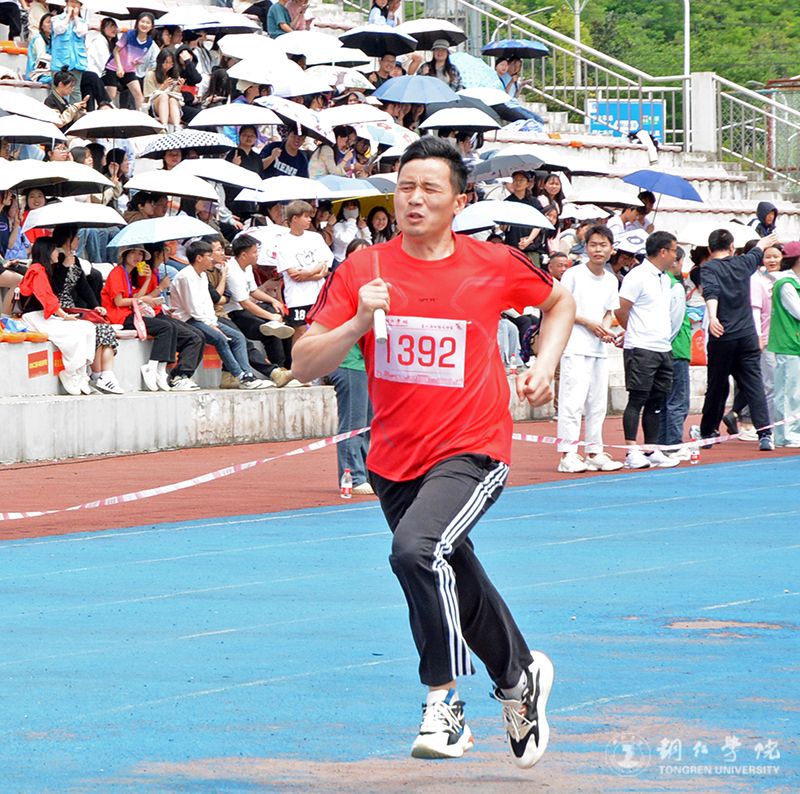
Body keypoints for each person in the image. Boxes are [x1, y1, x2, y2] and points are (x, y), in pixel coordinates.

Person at [292, 136, 575, 766]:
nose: (414, 199)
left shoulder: (493, 263)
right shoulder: (363, 269)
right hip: (393, 459)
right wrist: (357, 323)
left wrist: (544, 362)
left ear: (458, 201)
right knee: (454, 575)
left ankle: (444, 702)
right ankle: (519, 676)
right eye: (404, 187)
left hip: (473, 447)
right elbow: (304, 363)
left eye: (429, 189)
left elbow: (560, 303)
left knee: (416, 550)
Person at [699, 229, 778, 451]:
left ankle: (708, 431)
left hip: (722, 336)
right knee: (754, 384)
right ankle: (765, 434)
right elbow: (756, 251)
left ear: (710, 249)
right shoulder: (743, 263)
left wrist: (713, 316)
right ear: (732, 247)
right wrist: (764, 241)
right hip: (747, 335)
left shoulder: (709, 268)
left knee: (717, 385)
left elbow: (711, 292)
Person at [556, 225, 623, 473]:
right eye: (593, 245)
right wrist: (588, 323)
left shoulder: (611, 280)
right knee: (572, 402)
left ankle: (594, 452)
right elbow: (562, 308)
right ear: (585, 248)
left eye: (603, 245)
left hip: (598, 349)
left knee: (597, 404)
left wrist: (604, 329)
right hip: (575, 346)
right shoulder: (573, 275)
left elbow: (608, 312)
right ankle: (568, 454)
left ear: (611, 249)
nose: (598, 250)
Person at [615, 231, 682, 469]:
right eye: (674, 250)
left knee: (657, 400)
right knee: (638, 399)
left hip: (663, 347)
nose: (675, 255)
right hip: (641, 347)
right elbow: (621, 309)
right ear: (663, 252)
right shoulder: (638, 276)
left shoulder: (664, 278)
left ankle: (652, 448)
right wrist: (633, 330)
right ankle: (632, 450)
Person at [170, 239, 271, 390]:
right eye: (209, 256)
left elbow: (207, 303)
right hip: (188, 319)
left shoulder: (202, 275)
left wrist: (213, 322)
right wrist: (211, 325)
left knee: (238, 337)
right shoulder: (185, 276)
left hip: (204, 318)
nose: (212, 259)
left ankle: (248, 374)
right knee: (220, 339)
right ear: (199, 258)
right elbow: (192, 308)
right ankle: (240, 376)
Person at [101, 245, 204, 391]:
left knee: (172, 327)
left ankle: (161, 369)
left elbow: (138, 296)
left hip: (131, 313)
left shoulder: (127, 273)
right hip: (120, 317)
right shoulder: (117, 273)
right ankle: (153, 365)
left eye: (140, 254)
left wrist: (147, 280)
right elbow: (119, 302)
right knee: (166, 327)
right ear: (125, 255)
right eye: (133, 253)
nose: (137, 257)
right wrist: (144, 298)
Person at [19, 237, 97, 396]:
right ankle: (70, 371)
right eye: (55, 250)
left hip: (44, 316)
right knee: (74, 334)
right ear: (47, 251)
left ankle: (82, 372)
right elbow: (46, 297)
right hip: (34, 317)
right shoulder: (36, 269)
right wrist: (64, 316)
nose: (58, 253)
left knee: (88, 327)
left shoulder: (46, 270)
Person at [275, 200, 333, 344]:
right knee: (300, 330)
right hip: (297, 297)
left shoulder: (315, 237)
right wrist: (317, 275)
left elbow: (324, 263)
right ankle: (297, 358)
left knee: (320, 329)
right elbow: (294, 274)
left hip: (318, 294)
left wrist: (308, 273)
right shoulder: (283, 242)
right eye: (306, 216)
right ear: (295, 218)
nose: (309, 219)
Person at [657, 246, 692, 458]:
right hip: (676, 349)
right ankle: (674, 444)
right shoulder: (675, 286)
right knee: (678, 400)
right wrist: (666, 343)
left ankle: (662, 443)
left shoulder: (659, 282)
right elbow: (675, 320)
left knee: (663, 401)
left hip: (661, 349)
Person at [767, 249, 800, 447]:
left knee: (792, 391)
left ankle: (788, 433)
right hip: (789, 343)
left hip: (793, 343)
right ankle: (787, 435)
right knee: (789, 392)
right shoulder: (786, 284)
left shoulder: (791, 283)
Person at [105, 11, 157, 111]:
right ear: (137, 23)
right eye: (142, 21)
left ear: (151, 26)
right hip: (113, 67)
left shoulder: (149, 41)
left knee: (138, 94)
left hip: (129, 69)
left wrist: (136, 61)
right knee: (111, 95)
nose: (144, 25)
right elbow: (116, 51)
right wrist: (119, 67)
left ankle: (141, 116)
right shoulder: (128, 35)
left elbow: (136, 55)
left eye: (148, 23)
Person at [50, 0, 88, 104]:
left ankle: (75, 112)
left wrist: (75, 17)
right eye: (71, 1)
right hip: (60, 61)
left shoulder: (82, 22)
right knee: (57, 89)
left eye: (76, 2)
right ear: (66, 3)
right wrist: (67, 16)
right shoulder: (56, 19)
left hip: (76, 61)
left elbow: (81, 32)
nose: (73, 4)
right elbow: (59, 29)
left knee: (75, 90)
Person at [143, 47, 184, 131]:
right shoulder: (151, 75)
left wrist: (179, 87)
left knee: (173, 99)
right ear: (160, 62)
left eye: (171, 63)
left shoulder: (174, 75)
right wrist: (162, 87)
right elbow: (149, 96)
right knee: (164, 96)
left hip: (171, 104)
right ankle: (164, 125)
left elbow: (175, 94)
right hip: (155, 104)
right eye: (166, 62)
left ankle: (177, 126)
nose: (169, 65)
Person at [331, 199, 371, 266]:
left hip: (357, 261)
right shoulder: (338, 226)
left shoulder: (358, 226)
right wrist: (351, 220)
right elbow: (347, 240)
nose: (351, 209)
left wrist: (365, 229)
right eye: (348, 207)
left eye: (354, 207)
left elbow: (368, 245)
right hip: (341, 262)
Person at [25, 12, 52, 84]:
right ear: (41, 26)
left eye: (53, 22)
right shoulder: (38, 39)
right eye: (48, 22)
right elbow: (42, 58)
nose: (51, 25)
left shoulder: (50, 39)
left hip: (46, 71)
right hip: (36, 73)